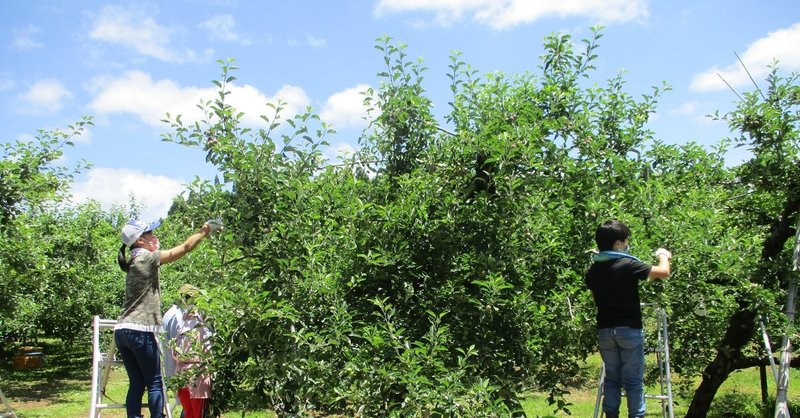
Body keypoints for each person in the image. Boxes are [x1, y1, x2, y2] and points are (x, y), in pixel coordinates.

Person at [115, 218, 222, 418]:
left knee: (137, 384)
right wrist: (204, 230)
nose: (155, 237)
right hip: (140, 330)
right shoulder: (146, 258)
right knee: (155, 382)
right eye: (150, 234)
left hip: (122, 330)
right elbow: (185, 248)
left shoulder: (133, 262)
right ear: (140, 241)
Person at [585, 220, 672, 418]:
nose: (627, 245)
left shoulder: (593, 271)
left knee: (612, 378)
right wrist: (663, 255)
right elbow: (663, 272)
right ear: (617, 243)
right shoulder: (628, 264)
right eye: (625, 241)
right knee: (633, 381)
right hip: (629, 330)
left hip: (606, 331)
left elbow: (596, 298)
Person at [174, 284, 213, 418]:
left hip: (182, 374)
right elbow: (209, 348)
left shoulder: (182, 321)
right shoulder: (202, 321)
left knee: (189, 412)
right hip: (197, 374)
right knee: (198, 413)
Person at [162, 295, 185, 418]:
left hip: (171, 368)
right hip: (183, 369)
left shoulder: (169, 313)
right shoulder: (179, 316)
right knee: (190, 406)